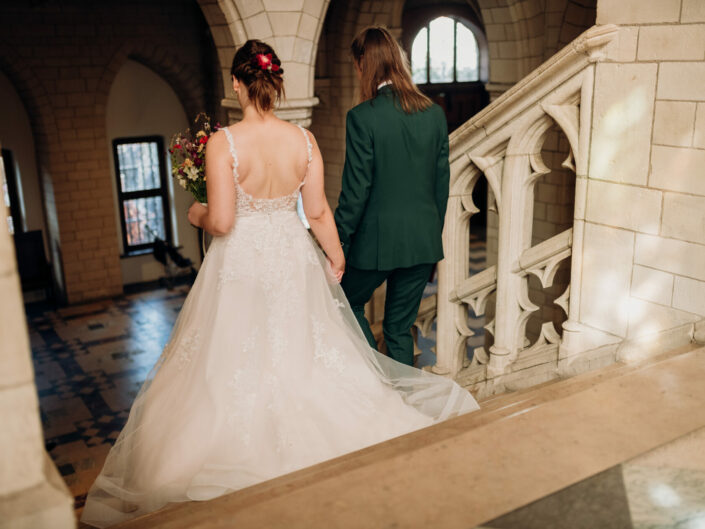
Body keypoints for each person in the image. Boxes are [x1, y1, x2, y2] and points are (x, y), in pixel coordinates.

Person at [81, 39, 478, 528]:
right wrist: (334, 257)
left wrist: (196, 210)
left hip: (243, 265)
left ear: (237, 84)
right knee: (301, 347)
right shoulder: (304, 141)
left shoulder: (223, 143)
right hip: (293, 259)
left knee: (235, 354)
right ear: (277, 84)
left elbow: (223, 220)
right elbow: (317, 212)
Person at [335, 27, 450, 367]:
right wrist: (430, 239)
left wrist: (336, 244)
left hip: (376, 245)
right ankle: (404, 408)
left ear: (363, 64)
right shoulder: (434, 113)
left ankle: (377, 383)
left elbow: (355, 193)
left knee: (345, 301)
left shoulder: (361, 117)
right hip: (422, 241)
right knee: (399, 329)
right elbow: (440, 187)